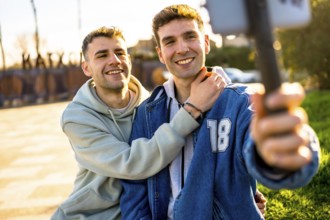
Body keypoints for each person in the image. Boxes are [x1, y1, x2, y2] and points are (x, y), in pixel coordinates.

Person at [120, 4, 320, 219]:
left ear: (205, 43)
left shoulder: (241, 101)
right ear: (160, 54)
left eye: (190, 36)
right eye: (170, 41)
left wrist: (279, 154)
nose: (181, 48)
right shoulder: (147, 112)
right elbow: (135, 188)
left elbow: (262, 147)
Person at [50, 26, 230, 220]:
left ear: (128, 60)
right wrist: (191, 110)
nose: (114, 60)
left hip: (141, 210)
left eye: (120, 53)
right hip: (91, 215)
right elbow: (132, 164)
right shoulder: (77, 118)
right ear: (87, 68)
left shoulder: (151, 105)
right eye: (102, 55)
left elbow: (188, 156)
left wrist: (235, 192)